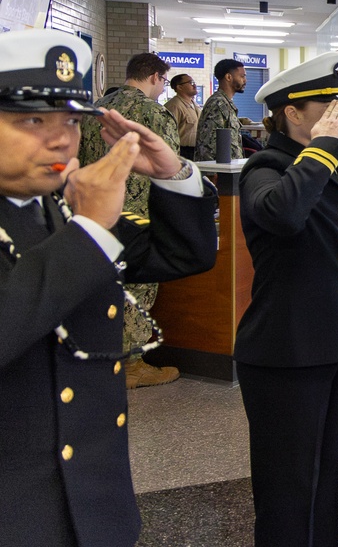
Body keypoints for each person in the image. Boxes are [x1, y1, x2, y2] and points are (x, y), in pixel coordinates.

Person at [0, 28, 217, 547]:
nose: (60, 139)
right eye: (32, 119)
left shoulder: (62, 208)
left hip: (92, 503)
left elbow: (183, 254)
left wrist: (174, 173)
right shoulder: (81, 221)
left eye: (72, 121)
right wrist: (91, 231)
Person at [232, 52, 338, 546]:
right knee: (288, 487)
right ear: (292, 112)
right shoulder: (266, 167)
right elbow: (285, 212)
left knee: (323, 475)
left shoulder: (323, 163)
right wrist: (324, 148)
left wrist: (327, 149)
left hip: (329, 337)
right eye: (330, 104)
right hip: (285, 349)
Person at [78, 51, 184, 389]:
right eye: (164, 81)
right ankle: (132, 365)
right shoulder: (153, 113)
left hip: (92, 211)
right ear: (154, 77)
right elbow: (172, 168)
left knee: (100, 286)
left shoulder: (95, 110)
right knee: (137, 289)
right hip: (136, 216)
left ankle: (101, 356)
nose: (163, 88)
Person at [195, 58, 246, 161]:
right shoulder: (218, 104)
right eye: (242, 76)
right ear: (228, 77)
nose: (245, 80)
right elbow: (209, 143)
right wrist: (213, 173)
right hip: (220, 171)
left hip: (229, 168)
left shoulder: (226, 103)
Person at [164, 73, 202, 160]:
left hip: (196, 152)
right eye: (191, 83)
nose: (195, 85)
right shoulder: (174, 106)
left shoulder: (194, 105)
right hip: (182, 153)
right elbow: (168, 134)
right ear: (179, 87)